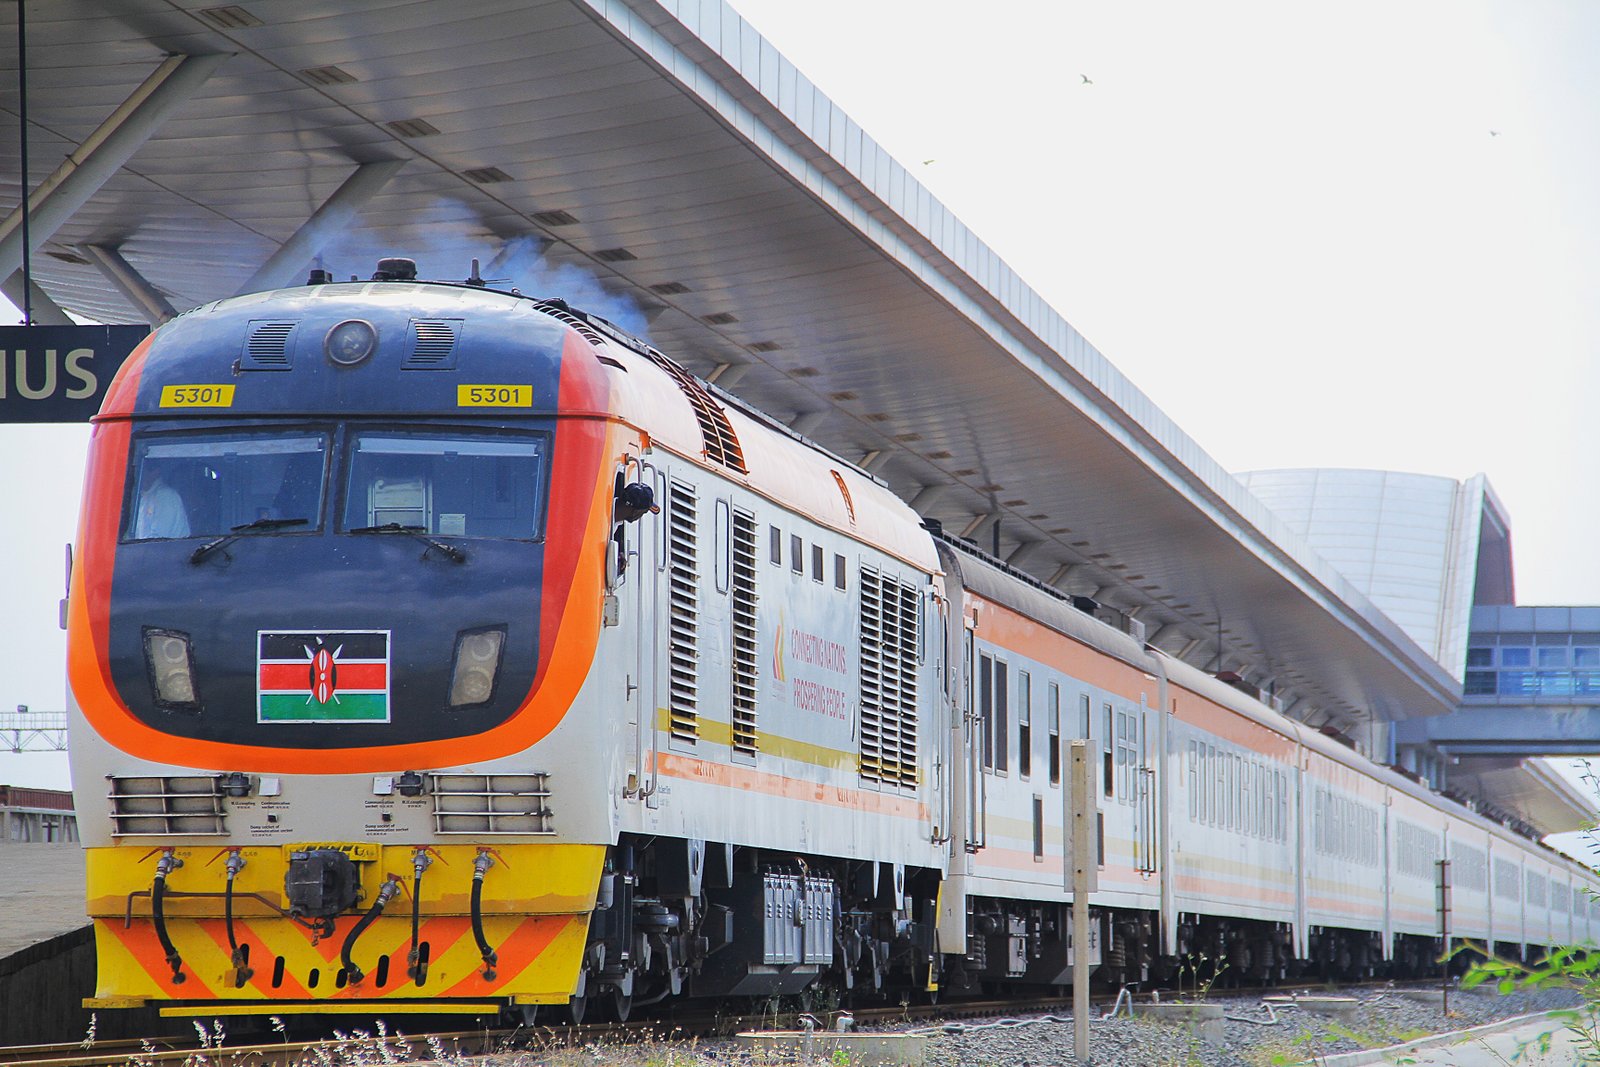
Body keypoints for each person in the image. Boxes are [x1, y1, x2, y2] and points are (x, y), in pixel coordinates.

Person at [133, 468, 190, 539]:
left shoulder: (165, 495)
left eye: (140, 471)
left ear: (155, 472)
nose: (134, 476)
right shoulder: (142, 496)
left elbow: (157, 540)